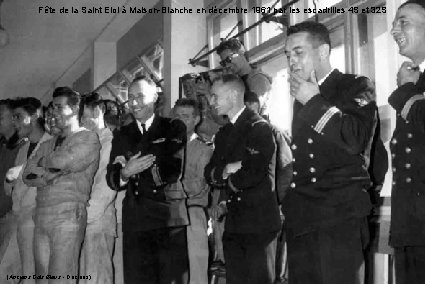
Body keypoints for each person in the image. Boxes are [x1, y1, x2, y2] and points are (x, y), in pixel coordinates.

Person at [283, 21, 377, 284]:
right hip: (304, 215)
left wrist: (313, 101)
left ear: (323, 51)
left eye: (299, 52)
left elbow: (356, 139)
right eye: (288, 55)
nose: (292, 61)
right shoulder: (301, 96)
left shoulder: (356, 86)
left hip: (339, 215)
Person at [106, 75, 189, 283]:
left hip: (167, 217)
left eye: (140, 96)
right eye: (130, 97)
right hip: (135, 219)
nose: (134, 103)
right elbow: (112, 178)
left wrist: (133, 167)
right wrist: (126, 172)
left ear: (155, 97)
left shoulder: (173, 127)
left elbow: (171, 171)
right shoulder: (122, 134)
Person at [205, 74, 281, 284]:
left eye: (214, 96)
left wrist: (227, 174)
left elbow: (253, 173)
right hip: (235, 224)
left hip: (259, 226)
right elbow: (209, 173)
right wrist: (230, 167)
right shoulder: (223, 134)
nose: (211, 102)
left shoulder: (259, 127)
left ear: (233, 94)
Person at [23, 87, 100, 283]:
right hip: (41, 216)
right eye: (52, 108)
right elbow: (27, 174)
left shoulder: (88, 138)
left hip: (67, 217)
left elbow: (63, 162)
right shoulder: (49, 143)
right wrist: (46, 176)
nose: (53, 112)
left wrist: (44, 163)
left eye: (59, 107)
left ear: (75, 109)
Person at [389, 1, 425, 283]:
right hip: (410, 222)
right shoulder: (414, 79)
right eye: (393, 22)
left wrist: (405, 91)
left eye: (404, 22)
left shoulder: (410, 84)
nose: (394, 29)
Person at [3, 97, 51, 283]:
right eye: (12, 117)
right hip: (20, 220)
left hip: (38, 220)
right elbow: (10, 190)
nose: (14, 122)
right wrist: (9, 178)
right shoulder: (23, 149)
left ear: (35, 116)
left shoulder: (52, 144)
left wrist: (20, 171)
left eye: (18, 116)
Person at [173, 98, 213, 284]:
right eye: (178, 116)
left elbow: (198, 185)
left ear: (197, 119)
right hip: (168, 214)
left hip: (192, 213)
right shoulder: (167, 147)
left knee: (196, 271)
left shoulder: (204, 149)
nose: (181, 121)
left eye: (186, 116)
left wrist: (170, 188)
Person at [79, 93, 117, 284]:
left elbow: (106, 189)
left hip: (97, 221)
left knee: (97, 279)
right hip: (80, 221)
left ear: (100, 110)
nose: (84, 123)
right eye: (81, 119)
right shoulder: (85, 143)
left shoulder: (111, 143)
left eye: (87, 116)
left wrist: (84, 216)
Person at [217, 38, 271, 104]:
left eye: (229, 59)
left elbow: (253, 111)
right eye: (223, 63)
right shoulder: (238, 83)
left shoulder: (259, 80)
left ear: (241, 53)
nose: (227, 65)